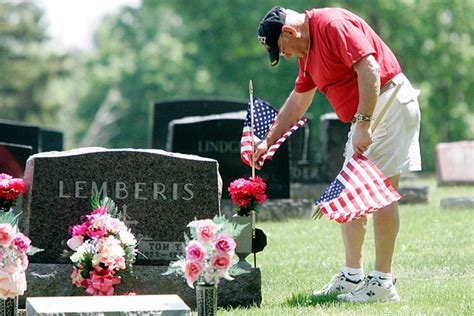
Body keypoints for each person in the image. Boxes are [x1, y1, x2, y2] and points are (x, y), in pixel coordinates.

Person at [255, 6, 421, 303]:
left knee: (379, 192)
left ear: (290, 32)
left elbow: (370, 68)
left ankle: (382, 283)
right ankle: (352, 276)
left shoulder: (332, 25)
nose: (289, 56)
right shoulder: (308, 53)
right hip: (373, 111)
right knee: (353, 193)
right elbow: (298, 100)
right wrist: (268, 140)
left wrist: (362, 123)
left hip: (387, 102)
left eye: (284, 49)